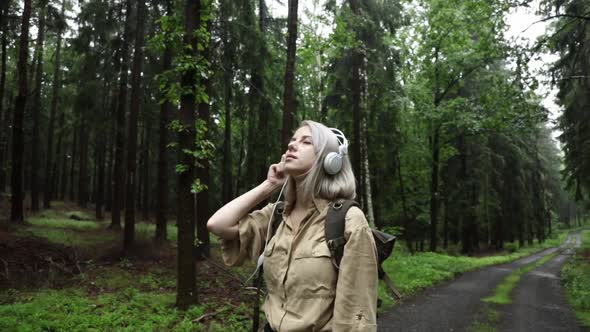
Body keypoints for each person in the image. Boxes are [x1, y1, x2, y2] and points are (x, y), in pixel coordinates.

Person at [207, 120, 378, 331]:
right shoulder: (276, 215)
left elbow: (356, 316)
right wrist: (269, 185)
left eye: (306, 142)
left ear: (330, 160)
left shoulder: (348, 220)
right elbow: (217, 224)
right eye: (292, 140)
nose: (291, 145)